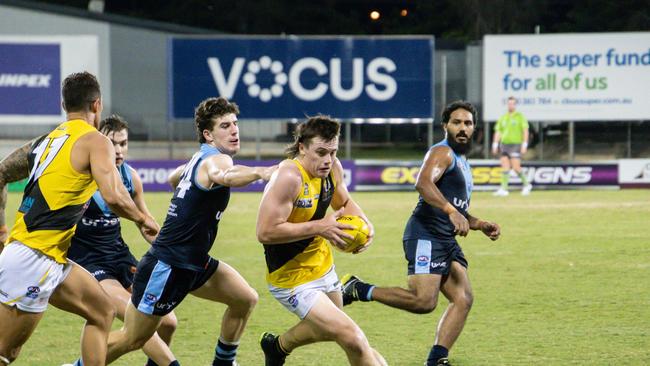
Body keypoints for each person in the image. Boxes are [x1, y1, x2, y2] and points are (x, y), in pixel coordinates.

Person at [101, 97, 276, 366]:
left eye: (235, 124)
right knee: (133, 338)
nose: (234, 130)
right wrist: (259, 172)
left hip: (193, 262)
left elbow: (175, 178)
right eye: (225, 126)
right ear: (208, 134)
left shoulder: (200, 157)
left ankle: (223, 363)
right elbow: (226, 176)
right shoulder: (216, 160)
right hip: (167, 265)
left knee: (244, 299)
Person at [0, 71, 159, 366]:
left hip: (50, 259)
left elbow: (1, 172)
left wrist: (1, 232)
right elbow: (113, 195)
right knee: (5, 354)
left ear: (64, 105)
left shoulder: (46, 141)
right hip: (32, 259)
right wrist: (142, 219)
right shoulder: (96, 141)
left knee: (102, 311)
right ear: (97, 104)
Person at [341, 101, 501, 366]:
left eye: (468, 123)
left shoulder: (462, 160)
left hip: (445, 238)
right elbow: (423, 183)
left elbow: (458, 209)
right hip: (425, 234)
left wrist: (479, 223)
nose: (463, 128)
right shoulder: (443, 152)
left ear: (474, 128)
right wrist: (451, 211)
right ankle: (358, 288)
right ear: (445, 126)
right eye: (457, 123)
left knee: (463, 298)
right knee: (423, 301)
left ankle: (437, 359)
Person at [256, 116, 387, 366]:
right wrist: (321, 226)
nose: (328, 160)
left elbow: (344, 202)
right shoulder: (289, 177)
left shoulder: (332, 168)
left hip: (322, 265)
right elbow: (265, 232)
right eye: (321, 152)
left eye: (333, 152)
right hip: (290, 277)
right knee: (353, 338)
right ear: (302, 147)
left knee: (330, 329)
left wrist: (366, 227)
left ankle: (277, 347)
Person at [491, 96, 532, 196]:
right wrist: (495, 144)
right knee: (505, 166)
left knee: (516, 167)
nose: (511, 105)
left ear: (515, 105)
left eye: (513, 103)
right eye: (509, 103)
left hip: (516, 144)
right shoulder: (503, 117)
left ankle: (527, 185)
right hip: (505, 145)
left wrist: (524, 144)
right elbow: (498, 131)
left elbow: (525, 131)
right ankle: (504, 189)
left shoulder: (520, 116)